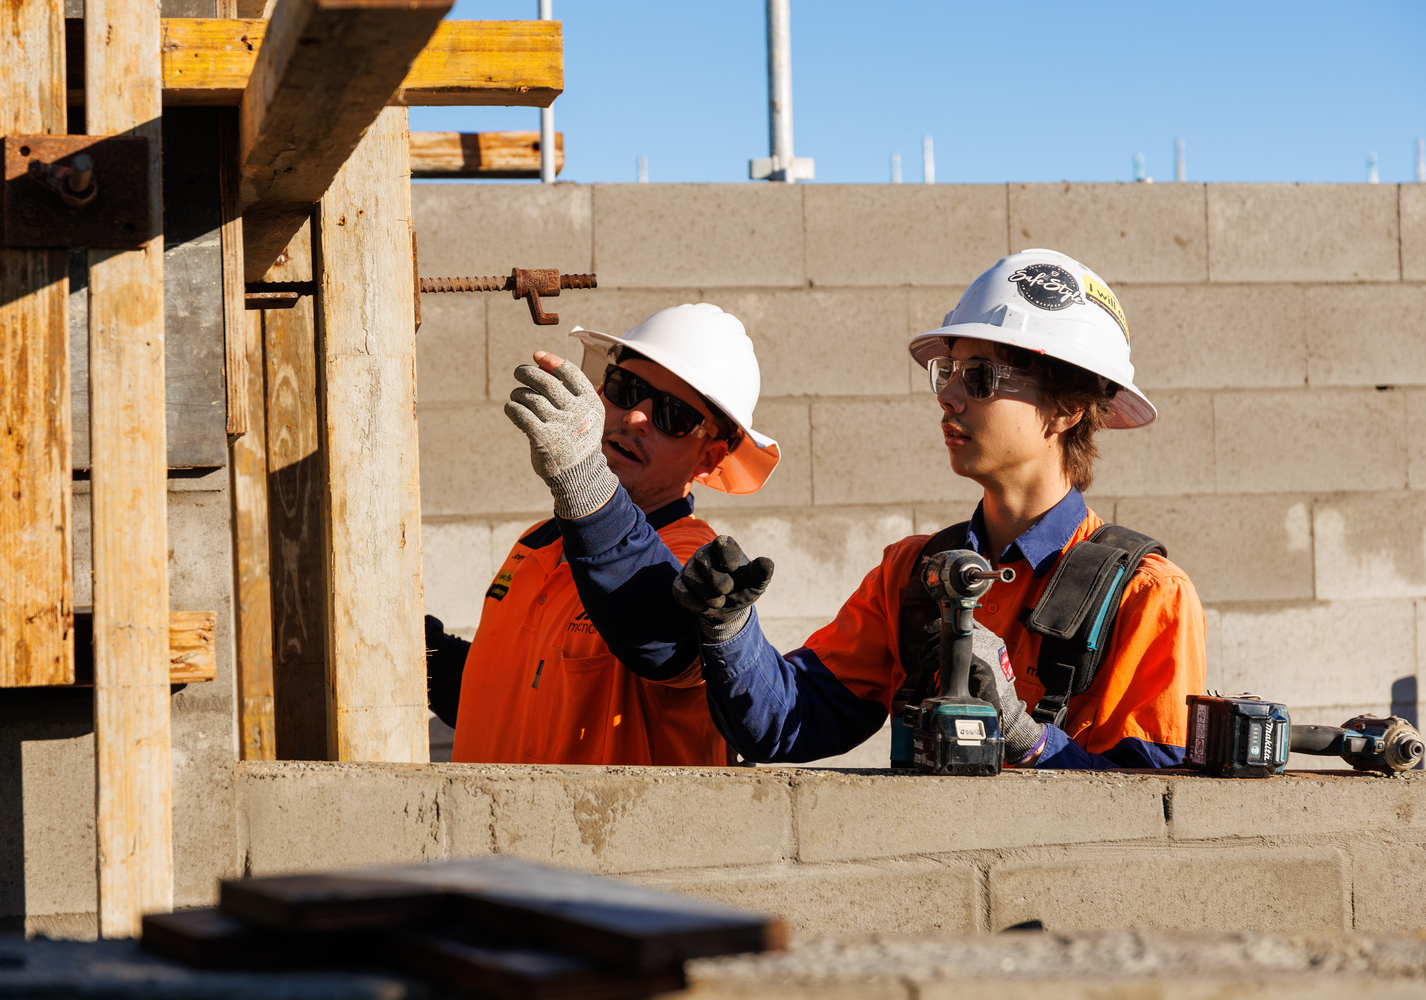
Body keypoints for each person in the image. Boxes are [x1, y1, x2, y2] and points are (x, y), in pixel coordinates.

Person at [671, 249, 1206, 768]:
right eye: (948, 371)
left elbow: (1161, 811)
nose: (947, 395)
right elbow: (791, 722)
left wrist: (1024, 736)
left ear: (1066, 408)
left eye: (980, 377)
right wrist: (730, 631)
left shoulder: (1147, 597)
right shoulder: (911, 574)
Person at [427, 303, 781, 766]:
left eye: (673, 415)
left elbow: (664, 643)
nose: (636, 417)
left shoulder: (693, 560)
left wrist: (582, 482)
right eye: (628, 388)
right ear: (600, 392)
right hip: (489, 835)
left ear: (709, 458)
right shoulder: (539, 543)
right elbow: (501, 700)